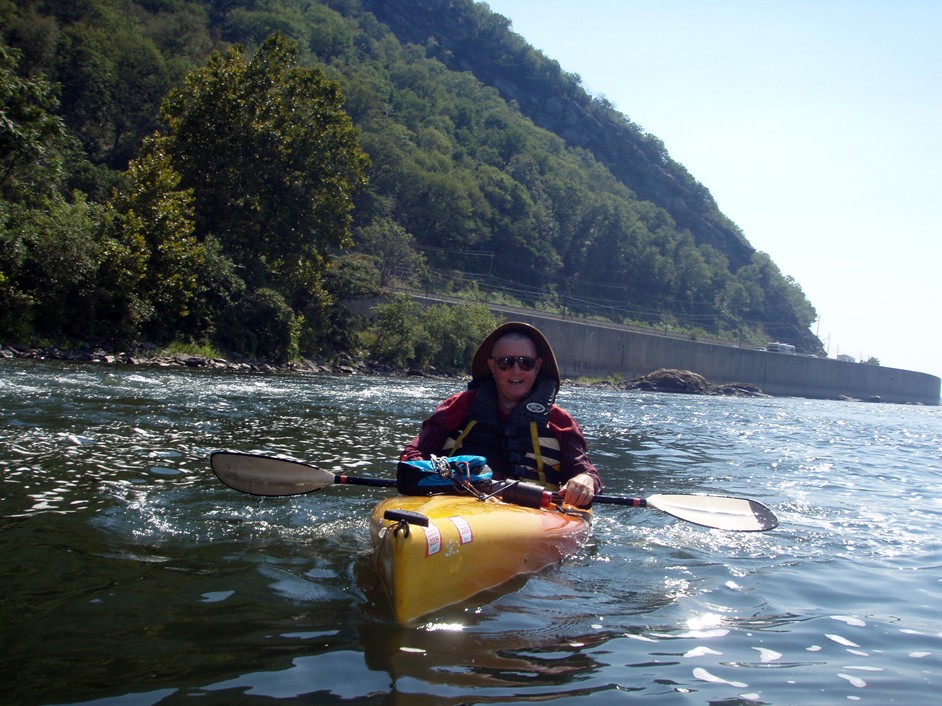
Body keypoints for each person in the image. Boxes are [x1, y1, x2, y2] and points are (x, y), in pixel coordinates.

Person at [401, 321, 602, 506]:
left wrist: (584, 480)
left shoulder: (560, 421)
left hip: (532, 515)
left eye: (526, 362)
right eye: (505, 362)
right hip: (456, 505)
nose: (516, 370)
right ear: (492, 366)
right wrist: (432, 473)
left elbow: (585, 473)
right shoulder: (458, 406)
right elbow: (413, 455)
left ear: (537, 366)